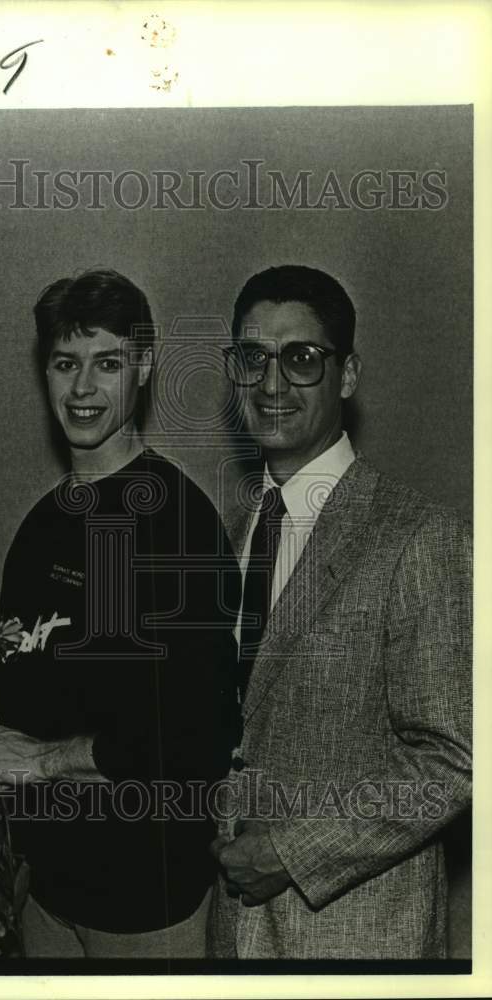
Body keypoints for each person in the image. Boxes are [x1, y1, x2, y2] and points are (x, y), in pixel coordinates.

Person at [0, 269, 241, 958]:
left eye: (107, 363)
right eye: (65, 364)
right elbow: (21, 710)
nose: (83, 389)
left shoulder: (175, 522)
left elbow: (196, 736)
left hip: (145, 903)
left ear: (144, 366)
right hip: (43, 897)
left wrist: (44, 760)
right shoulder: (38, 528)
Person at [209, 264, 472, 958]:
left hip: (357, 938)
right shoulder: (232, 534)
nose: (271, 384)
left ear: (346, 375)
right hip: (235, 933)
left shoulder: (417, 535)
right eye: (251, 358)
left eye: (300, 358)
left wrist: (292, 852)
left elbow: (453, 762)